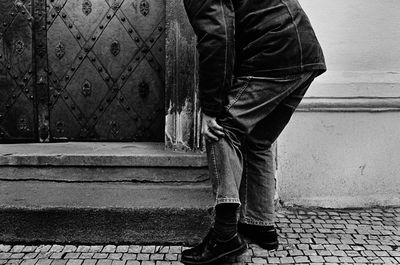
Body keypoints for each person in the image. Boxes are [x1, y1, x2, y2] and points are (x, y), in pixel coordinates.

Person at [180, 0, 326, 264]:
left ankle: (225, 236)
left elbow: (217, 36)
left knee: (222, 129)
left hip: (273, 54)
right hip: (304, 51)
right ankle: (260, 225)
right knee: (259, 139)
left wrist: (211, 108)